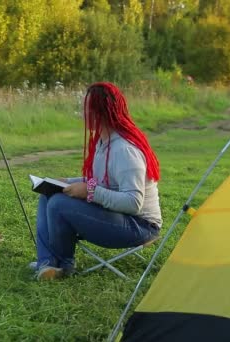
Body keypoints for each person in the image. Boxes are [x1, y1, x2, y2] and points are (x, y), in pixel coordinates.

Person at [31, 82, 162, 280]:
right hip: (117, 216)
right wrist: (66, 181)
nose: (83, 115)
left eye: (87, 109)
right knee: (49, 194)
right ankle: (47, 264)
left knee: (59, 204)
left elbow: (134, 203)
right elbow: (102, 180)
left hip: (140, 226)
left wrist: (90, 191)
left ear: (100, 113)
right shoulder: (103, 142)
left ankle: (64, 265)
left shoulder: (125, 150)